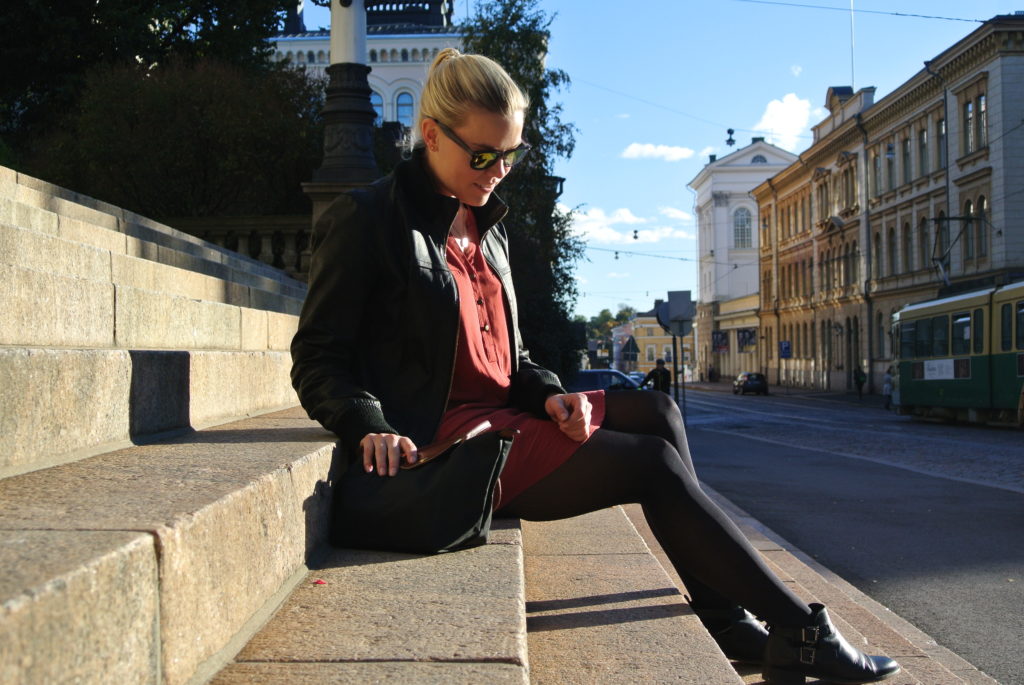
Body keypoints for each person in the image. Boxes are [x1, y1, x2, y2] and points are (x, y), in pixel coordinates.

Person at [290, 48, 899, 684]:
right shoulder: (367, 220)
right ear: (431, 134)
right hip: (448, 446)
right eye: (483, 155)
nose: (499, 171)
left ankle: (724, 616)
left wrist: (551, 395)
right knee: (652, 465)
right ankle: (801, 632)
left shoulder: (484, 225)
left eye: (511, 155)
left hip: (501, 416)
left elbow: (512, 358)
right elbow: (317, 355)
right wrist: (367, 423)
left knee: (657, 409)